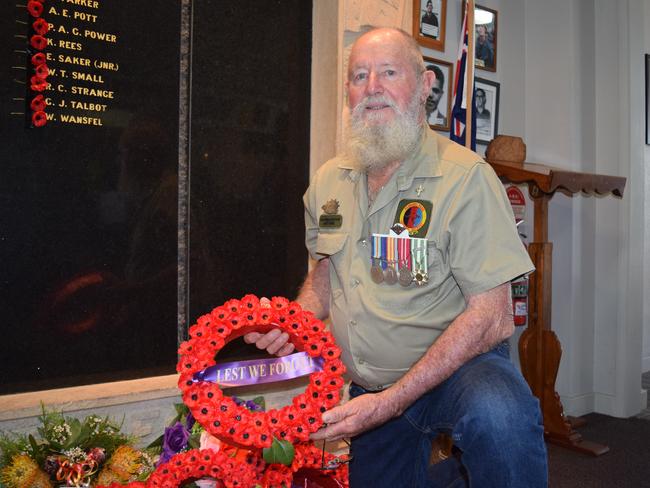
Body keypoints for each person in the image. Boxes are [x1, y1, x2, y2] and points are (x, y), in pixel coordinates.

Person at [245, 27, 547, 487]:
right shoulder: (328, 182)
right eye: (359, 76)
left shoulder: (466, 178)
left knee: (501, 415)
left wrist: (392, 402)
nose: (371, 88)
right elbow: (328, 274)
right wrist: (294, 322)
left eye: (388, 72)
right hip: (372, 386)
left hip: (459, 369)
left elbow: (493, 316)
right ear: (347, 92)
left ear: (425, 85)